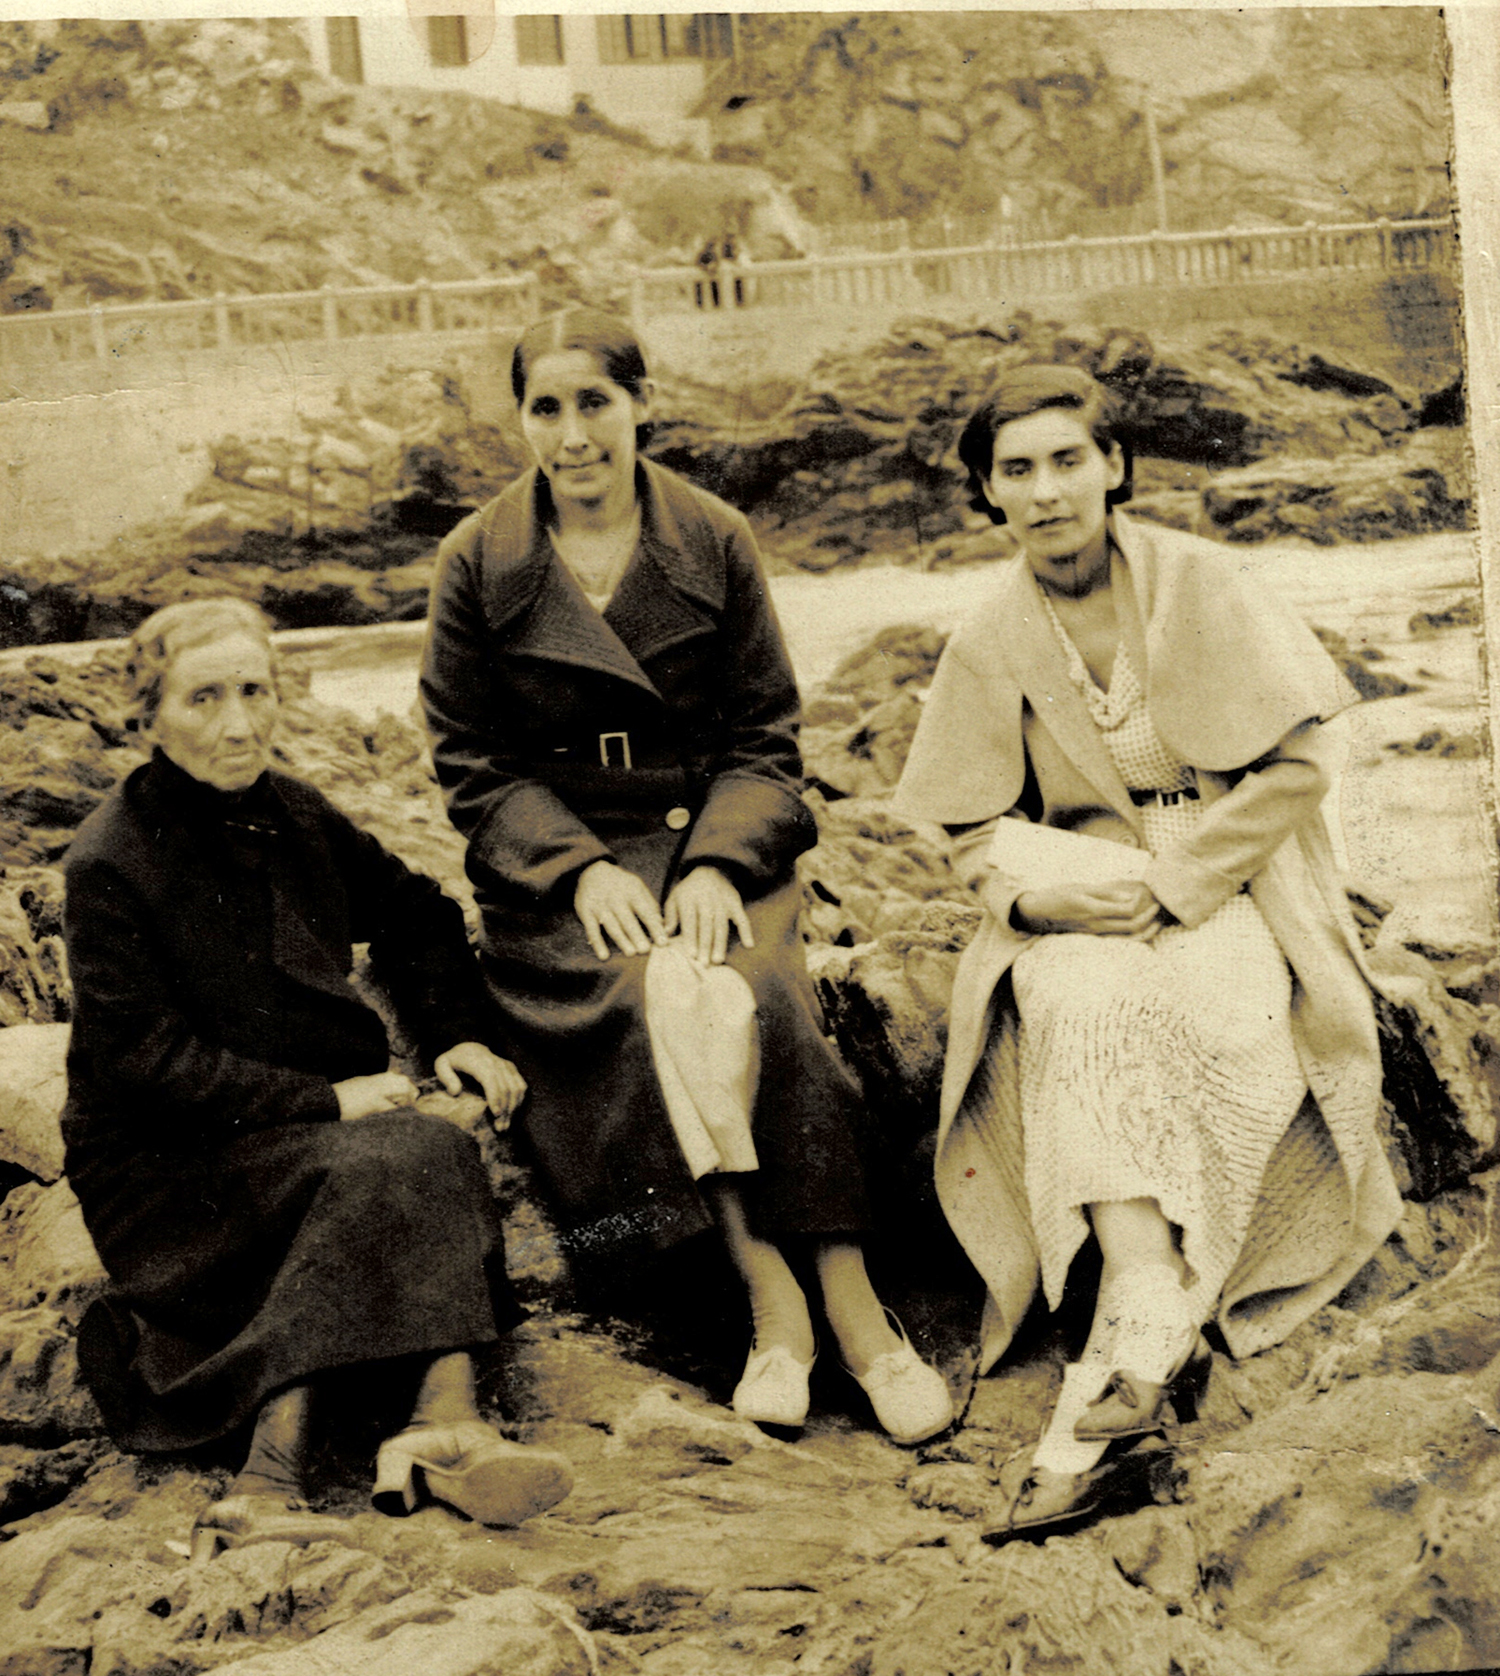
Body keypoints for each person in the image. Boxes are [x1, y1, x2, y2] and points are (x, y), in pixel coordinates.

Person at [419, 307, 952, 1445]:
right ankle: (774, 1310)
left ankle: (859, 1313)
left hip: (711, 842)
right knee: (654, 1001)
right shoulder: (477, 561)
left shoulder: (711, 536)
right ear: (521, 418)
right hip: (563, 879)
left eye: (596, 403)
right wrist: (571, 869)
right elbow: (469, 762)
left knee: (758, 995)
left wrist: (716, 860)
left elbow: (767, 739)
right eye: (547, 408)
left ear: (640, 404)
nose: (573, 435)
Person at [894, 364, 1403, 1539]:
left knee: (1224, 1015)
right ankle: (1140, 1295)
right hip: (1082, 888)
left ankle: (1135, 1346)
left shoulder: (1202, 583)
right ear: (987, 493)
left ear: (1115, 465)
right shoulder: (989, 633)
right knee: (1073, 1000)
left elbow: (1298, 765)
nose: (1046, 488)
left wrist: (1178, 881)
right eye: (1014, 470)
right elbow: (972, 831)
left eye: (1068, 459)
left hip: (1236, 871)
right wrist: (1043, 911)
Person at [62, 598, 574, 1563]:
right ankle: (291, 1468)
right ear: (147, 717)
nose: (238, 723)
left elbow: (419, 913)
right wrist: (326, 1100)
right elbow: (140, 1063)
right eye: (204, 697)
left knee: (418, 1145)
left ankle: (428, 1430)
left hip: (290, 1145)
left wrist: (457, 1036)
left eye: (255, 691)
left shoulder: (293, 811)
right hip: (169, 1171)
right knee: (406, 1153)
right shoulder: (109, 860)